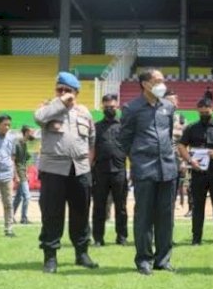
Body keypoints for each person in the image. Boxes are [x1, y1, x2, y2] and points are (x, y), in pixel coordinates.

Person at [34, 71, 98, 273]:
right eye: (59, 89)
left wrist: (87, 166)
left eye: (67, 90)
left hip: (80, 170)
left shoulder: (84, 112)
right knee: (52, 214)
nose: (63, 93)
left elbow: (92, 141)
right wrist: (60, 102)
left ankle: (82, 253)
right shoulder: (48, 109)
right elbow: (38, 118)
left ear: (76, 92)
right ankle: (50, 257)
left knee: (81, 213)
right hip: (54, 170)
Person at [118, 68, 177, 276]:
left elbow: (168, 135)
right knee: (144, 216)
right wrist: (137, 158)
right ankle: (143, 259)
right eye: (158, 80)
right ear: (145, 84)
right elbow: (124, 139)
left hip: (167, 168)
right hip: (144, 169)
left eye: (163, 80)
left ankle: (163, 259)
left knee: (166, 216)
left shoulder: (168, 107)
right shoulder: (131, 108)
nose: (163, 84)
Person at [178, 97, 213, 246]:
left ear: (212, 110)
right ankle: (196, 238)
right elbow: (182, 146)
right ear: (197, 111)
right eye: (201, 112)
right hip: (198, 172)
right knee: (198, 206)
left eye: (206, 112)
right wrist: (190, 160)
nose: (204, 114)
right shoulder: (191, 128)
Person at [91, 94, 128, 247]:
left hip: (119, 171)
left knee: (121, 207)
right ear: (102, 107)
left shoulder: (124, 126)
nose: (109, 109)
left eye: (112, 107)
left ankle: (122, 237)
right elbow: (91, 148)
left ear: (117, 107)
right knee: (99, 207)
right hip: (100, 172)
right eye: (106, 107)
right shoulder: (96, 127)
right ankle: (98, 238)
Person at [13, 125, 35, 225]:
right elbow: (12, 160)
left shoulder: (25, 144)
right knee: (27, 196)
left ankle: (10, 216)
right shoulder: (17, 144)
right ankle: (24, 218)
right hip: (19, 173)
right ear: (26, 132)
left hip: (23, 173)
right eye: (31, 132)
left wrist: (27, 174)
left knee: (18, 197)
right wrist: (15, 175)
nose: (33, 135)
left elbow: (25, 161)